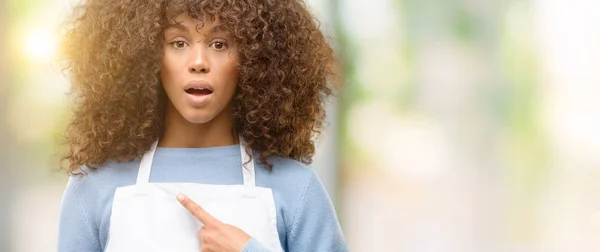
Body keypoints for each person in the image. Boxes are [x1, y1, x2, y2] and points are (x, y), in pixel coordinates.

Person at [56, 0, 347, 251]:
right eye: (178, 43)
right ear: (146, 57)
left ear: (256, 58)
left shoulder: (295, 187)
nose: (198, 62)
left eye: (219, 44)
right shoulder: (93, 186)